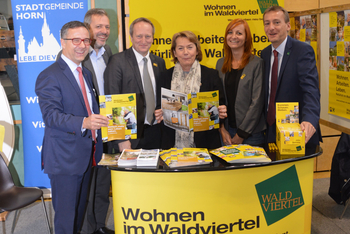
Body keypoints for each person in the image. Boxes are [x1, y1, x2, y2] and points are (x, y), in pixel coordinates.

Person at [35, 21, 109, 234]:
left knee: (78, 213)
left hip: (86, 155)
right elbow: (51, 116)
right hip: (64, 159)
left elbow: (89, 108)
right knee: (66, 219)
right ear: (62, 42)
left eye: (86, 40)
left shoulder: (84, 73)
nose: (82, 45)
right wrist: (84, 122)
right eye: (75, 40)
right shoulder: (49, 75)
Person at [155, 31, 227, 149]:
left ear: (197, 50)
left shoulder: (211, 75)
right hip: (172, 145)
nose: (186, 52)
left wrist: (221, 111)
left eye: (190, 47)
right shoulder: (164, 76)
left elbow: (221, 104)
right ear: (174, 52)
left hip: (205, 144)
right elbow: (159, 106)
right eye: (180, 48)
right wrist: (159, 113)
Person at [261, 6, 321, 145]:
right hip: (270, 131)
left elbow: (311, 90)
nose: (271, 28)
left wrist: (310, 119)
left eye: (276, 22)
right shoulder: (264, 54)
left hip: (298, 132)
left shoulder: (302, 50)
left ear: (288, 25)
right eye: (267, 23)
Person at [104, 17, 166, 152]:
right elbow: (112, 101)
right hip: (130, 137)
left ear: (153, 38)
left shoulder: (159, 63)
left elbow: (161, 95)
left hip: (156, 132)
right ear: (131, 37)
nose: (143, 41)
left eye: (148, 36)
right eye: (139, 36)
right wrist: (121, 139)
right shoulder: (117, 61)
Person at [80, 8, 114, 234]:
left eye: (107, 27)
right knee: (87, 185)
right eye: (98, 26)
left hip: (108, 128)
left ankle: (100, 225)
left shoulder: (109, 52)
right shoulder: (77, 54)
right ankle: (86, 230)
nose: (104, 31)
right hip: (87, 131)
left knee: (103, 181)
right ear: (87, 29)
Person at [216, 19, 265, 146]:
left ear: (246, 38)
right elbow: (217, 99)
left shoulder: (256, 63)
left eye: (239, 33)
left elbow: (257, 102)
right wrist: (222, 129)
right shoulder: (220, 63)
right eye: (230, 32)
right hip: (226, 132)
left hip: (251, 134)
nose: (233, 36)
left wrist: (241, 134)